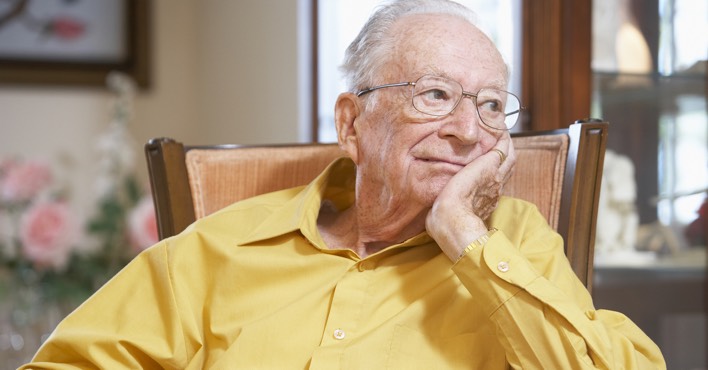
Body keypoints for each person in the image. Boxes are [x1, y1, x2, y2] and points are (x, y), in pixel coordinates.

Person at [23, 0, 665, 368]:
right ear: (352, 122)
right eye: (436, 96)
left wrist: (466, 238)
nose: (470, 131)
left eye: (493, 106)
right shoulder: (223, 248)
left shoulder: (513, 245)